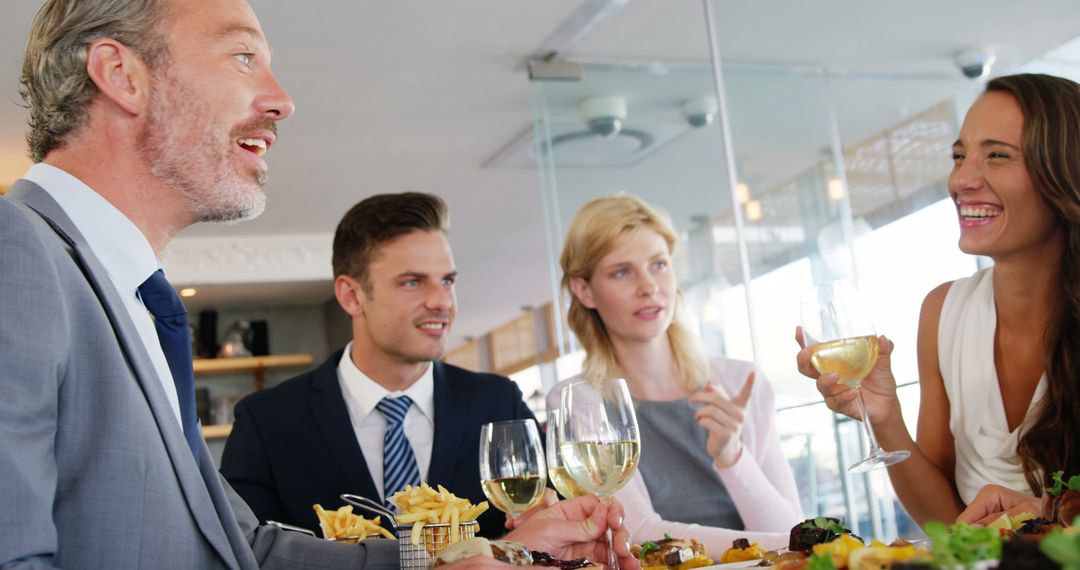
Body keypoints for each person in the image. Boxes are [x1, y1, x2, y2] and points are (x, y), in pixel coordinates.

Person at [0, 1, 634, 568]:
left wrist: (487, 554)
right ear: (120, 74)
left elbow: (242, 548)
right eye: (242, 55)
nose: (281, 99)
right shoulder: (15, 248)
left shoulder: (126, 297)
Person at [797, 73, 1080, 526]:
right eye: (959, 156)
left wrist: (1050, 514)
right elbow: (948, 525)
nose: (962, 179)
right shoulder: (944, 312)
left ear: (1065, 169)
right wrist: (884, 417)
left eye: (997, 156)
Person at [221, 192, 537, 538]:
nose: (441, 301)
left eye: (447, 280)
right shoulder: (267, 421)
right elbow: (243, 553)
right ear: (351, 296)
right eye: (413, 282)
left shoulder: (499, 403)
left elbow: (544, 530)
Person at [547, 193, 802, 554]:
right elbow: (638, 532)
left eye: (659, 264)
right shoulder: (581, 400)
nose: (648, 285)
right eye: (622, 271)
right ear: (584, 290)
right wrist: (791, 544)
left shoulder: (741, 383)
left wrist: (732, 457)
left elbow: (788, 527)